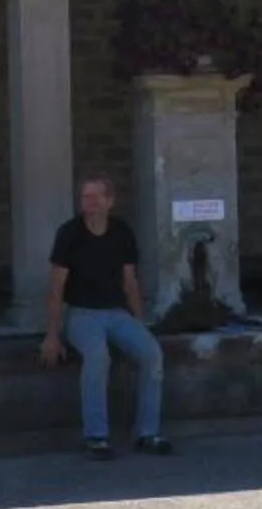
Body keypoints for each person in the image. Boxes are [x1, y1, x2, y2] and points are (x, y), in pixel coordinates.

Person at [40, 174, 169, 460]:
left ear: (110, 201)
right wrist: (52, 334)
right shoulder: (69, 233)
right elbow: (56, 286)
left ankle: (148, 432)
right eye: (86, 197)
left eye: (97, 197)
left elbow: (130, 281)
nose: (91, 203)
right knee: (98, 357)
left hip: (117, 313)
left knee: (152, 353)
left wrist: (139, 321)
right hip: (82, 315)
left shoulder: (121, 231)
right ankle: (96, 436)